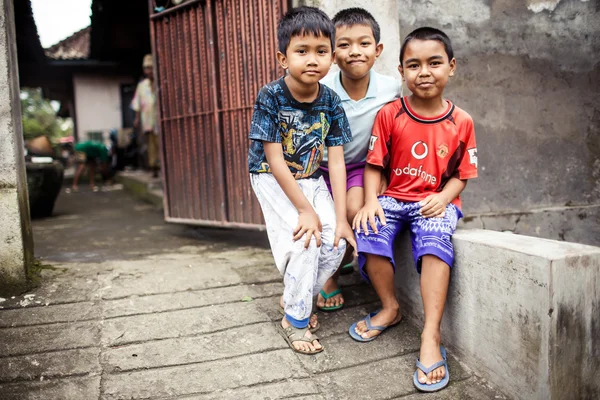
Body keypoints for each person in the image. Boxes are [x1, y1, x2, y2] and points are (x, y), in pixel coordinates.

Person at [351, 27, 478, 392]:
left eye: (434, 63)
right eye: (413, 65)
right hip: (392, 196)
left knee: (437, 244)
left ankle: (431, 335)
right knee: (369, 229)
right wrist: (372, 200)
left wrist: (444, 196)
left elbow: (463, 175)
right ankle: (390, 307)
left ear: (450, 67)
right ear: (401, 71)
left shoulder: (462, 121)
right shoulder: (391, 114)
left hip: (437, 200)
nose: (424, 72)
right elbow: (374, 165)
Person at [248, 6, 356, 355]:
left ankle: (295, 298)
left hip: (309, 176)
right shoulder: (271, 96)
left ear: (333, 57)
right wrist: (305, 210)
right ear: (283, 58)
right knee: (306, 240)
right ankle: (296, 322)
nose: (313, 59)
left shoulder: (331, 101)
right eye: (302, 51)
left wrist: (341, 218)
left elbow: (336, 162)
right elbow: (274, 159)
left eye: (321, 51)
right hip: (271, 176)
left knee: (338, 242)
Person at [317, 8, 401, 311]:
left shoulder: (391, 89)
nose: (355, 52)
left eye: (364, 44)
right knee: (326, 221)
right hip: (321, 169)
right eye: (344, 44)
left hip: (360, 168)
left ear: (377, 50)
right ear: (332, 51)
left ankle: (346, 262)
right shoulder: (322, 90)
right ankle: (331, 277)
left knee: (354, 209)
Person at [132, 54, 159, 178]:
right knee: (151, 145)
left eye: (151, 68)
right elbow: (137, 103)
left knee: (160, 143)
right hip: (148, 120)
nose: (149, 71)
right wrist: (137, 118)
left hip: (159, 119)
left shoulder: (159, 83)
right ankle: (153, 168)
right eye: (147, 68)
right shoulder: (142, 86)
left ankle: (161, 166)